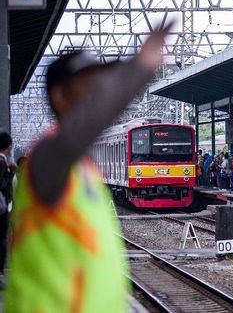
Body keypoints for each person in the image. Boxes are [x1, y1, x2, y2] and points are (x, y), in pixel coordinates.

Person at [5, 25, 170, 311]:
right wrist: (139, 68)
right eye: (91, 87)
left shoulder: (82, 169)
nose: (101, 94)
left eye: (102, 86)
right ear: (60, 97)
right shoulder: (46, 157)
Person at [0, 132, 15, 289]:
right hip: (1, 206)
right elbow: (2, 184)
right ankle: (0, 273)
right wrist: (10, 173)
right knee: (2, 239)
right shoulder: (2, 162)